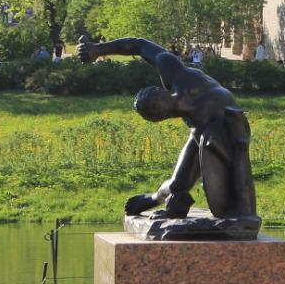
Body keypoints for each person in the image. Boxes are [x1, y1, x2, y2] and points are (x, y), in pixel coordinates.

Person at [76, 36, 256, 222]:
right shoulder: (177, 80)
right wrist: (98, 50)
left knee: (193, 178)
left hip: (227, 128)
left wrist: (98, 49)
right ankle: (163, 201)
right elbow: (139, 45)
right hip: (210, 128)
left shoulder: (179, 81)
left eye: (157, 109)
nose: (161, 112)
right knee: (179, 184)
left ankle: (179, 204)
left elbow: (139, 45)